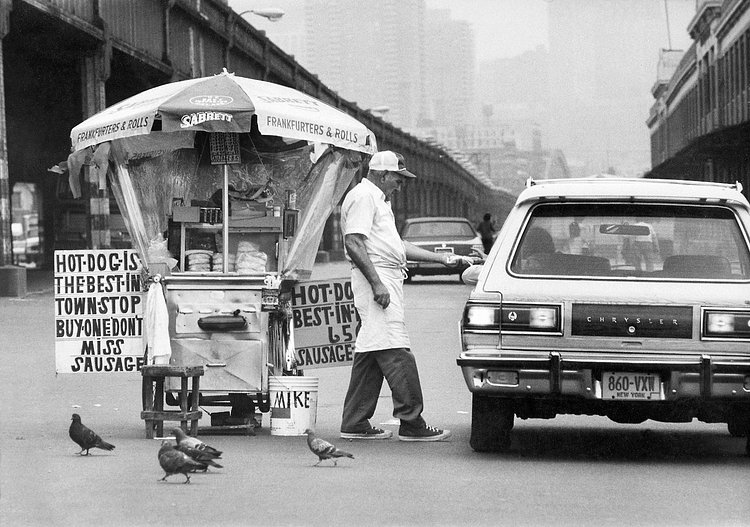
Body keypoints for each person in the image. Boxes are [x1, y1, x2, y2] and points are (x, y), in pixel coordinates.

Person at [339, 150, 462, 442]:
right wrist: (377, 284)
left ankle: (355, 421)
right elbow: (354, 242)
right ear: (382, 174)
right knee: (395, 348)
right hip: (377, 279)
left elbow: (397, 245)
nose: (400, 184)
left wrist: (441, 260)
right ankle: (411, 421)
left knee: (372, 349)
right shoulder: (364, 197)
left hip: (384, 275)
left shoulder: (378, 200)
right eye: (397, 178)